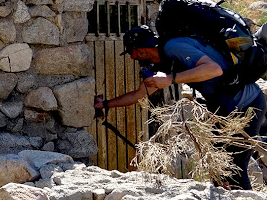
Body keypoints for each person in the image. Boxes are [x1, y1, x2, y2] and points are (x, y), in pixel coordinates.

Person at [93, 25, 267, 189]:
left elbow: (214, 69)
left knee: (236, 167)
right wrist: (106, 104)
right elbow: (138, 95)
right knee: (218, 166)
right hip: (223, 111)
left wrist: (170, 79)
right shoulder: (161, 64)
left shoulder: (174, 47)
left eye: (132, 53)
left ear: (141, 49)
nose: (132, 58)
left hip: (247, 104)